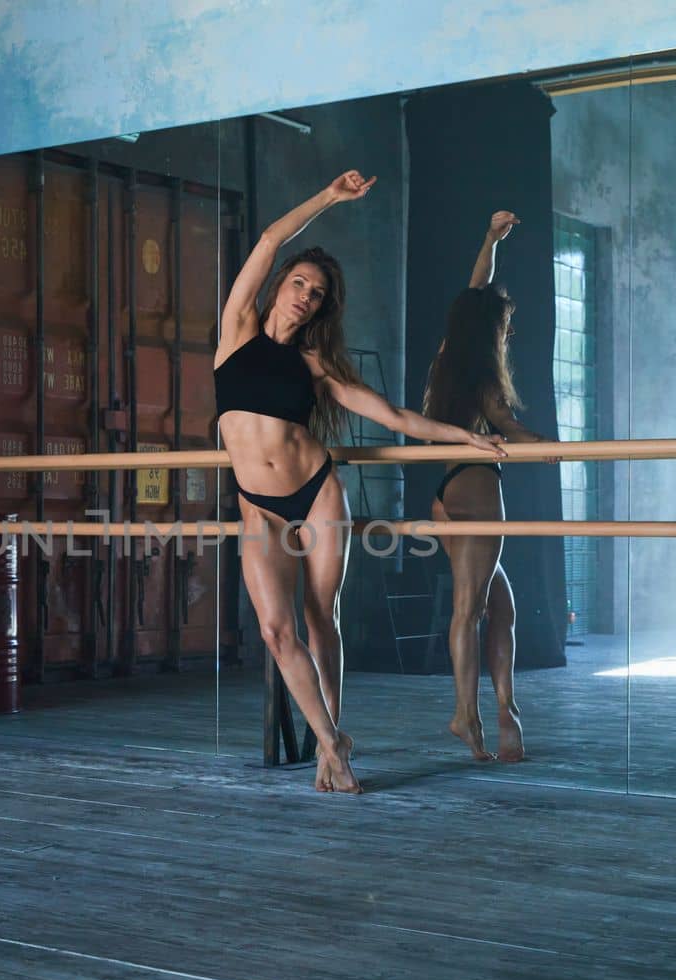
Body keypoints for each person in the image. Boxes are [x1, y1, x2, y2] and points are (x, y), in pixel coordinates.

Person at [216, 171, 506, 794]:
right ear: (279, 286)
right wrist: (328, 196)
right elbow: (269, 238)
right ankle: (331, 741)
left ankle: (332, 749)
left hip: (316, 491)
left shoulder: (314, 363)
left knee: (323, 615)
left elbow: (395, 418)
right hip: (259, 508)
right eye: (298, 284)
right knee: (274, 630)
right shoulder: (235, 331)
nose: (304, 297)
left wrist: (466, 436)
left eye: (317, 294)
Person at [422, 210, 556, 763]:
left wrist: (490, 240)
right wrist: (553, 449)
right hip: (475, 490)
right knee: (469, 608)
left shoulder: (446, 359)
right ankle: (465, 712)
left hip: (449, 492)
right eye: (504, 327)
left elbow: (474, 292)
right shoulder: (481, 378)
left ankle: (506, 710)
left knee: (499, 606)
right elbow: (511, 429)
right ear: (490, 334)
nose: (508, 333)